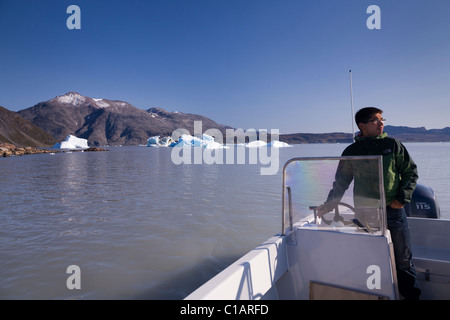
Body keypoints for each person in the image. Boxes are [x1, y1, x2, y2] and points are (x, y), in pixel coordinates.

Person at [317, 107, 421, 300]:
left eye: (382, 119)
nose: (381, 123)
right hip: (366, 213)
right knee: (371, 259)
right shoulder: (352, 151)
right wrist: (328, 205)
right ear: (362, 126)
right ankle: (376, 294)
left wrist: (401, 200)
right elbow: (341, 182)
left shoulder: (392, 144)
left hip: (393, 211)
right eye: (375, 120)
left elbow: (410, 173)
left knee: (404, 259)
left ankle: (411, 296)